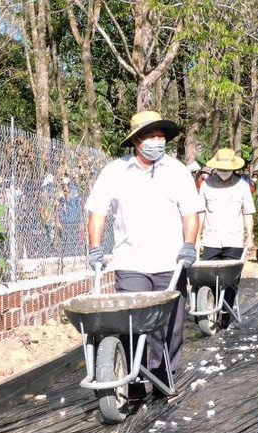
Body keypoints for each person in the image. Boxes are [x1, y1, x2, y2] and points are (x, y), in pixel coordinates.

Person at [85, 110, 201, 398]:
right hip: (131, 261)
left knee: (170, 324)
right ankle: (132, 380)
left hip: (170, 262)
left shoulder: (176, 171)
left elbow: (191, 212)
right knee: (132, 322)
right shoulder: (115, 171)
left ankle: (164, 374)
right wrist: (95, 247)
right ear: (136, 140)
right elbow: (97, 211)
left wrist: (189, 245)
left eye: (161, 136)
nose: (157, 142)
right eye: (150, 136)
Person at [198, 147, 256, 328]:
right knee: (206, 279)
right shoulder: (206, 185)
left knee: (230, 281)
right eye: (220, 169)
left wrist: (250, 236)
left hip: (234, 239)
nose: (223, 172)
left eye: (227, 169)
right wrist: (197, 237)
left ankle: (226, 315)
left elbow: (247, 213)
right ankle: (208, 310)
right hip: (211, 239)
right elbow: (201, 212)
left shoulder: (242, 186)